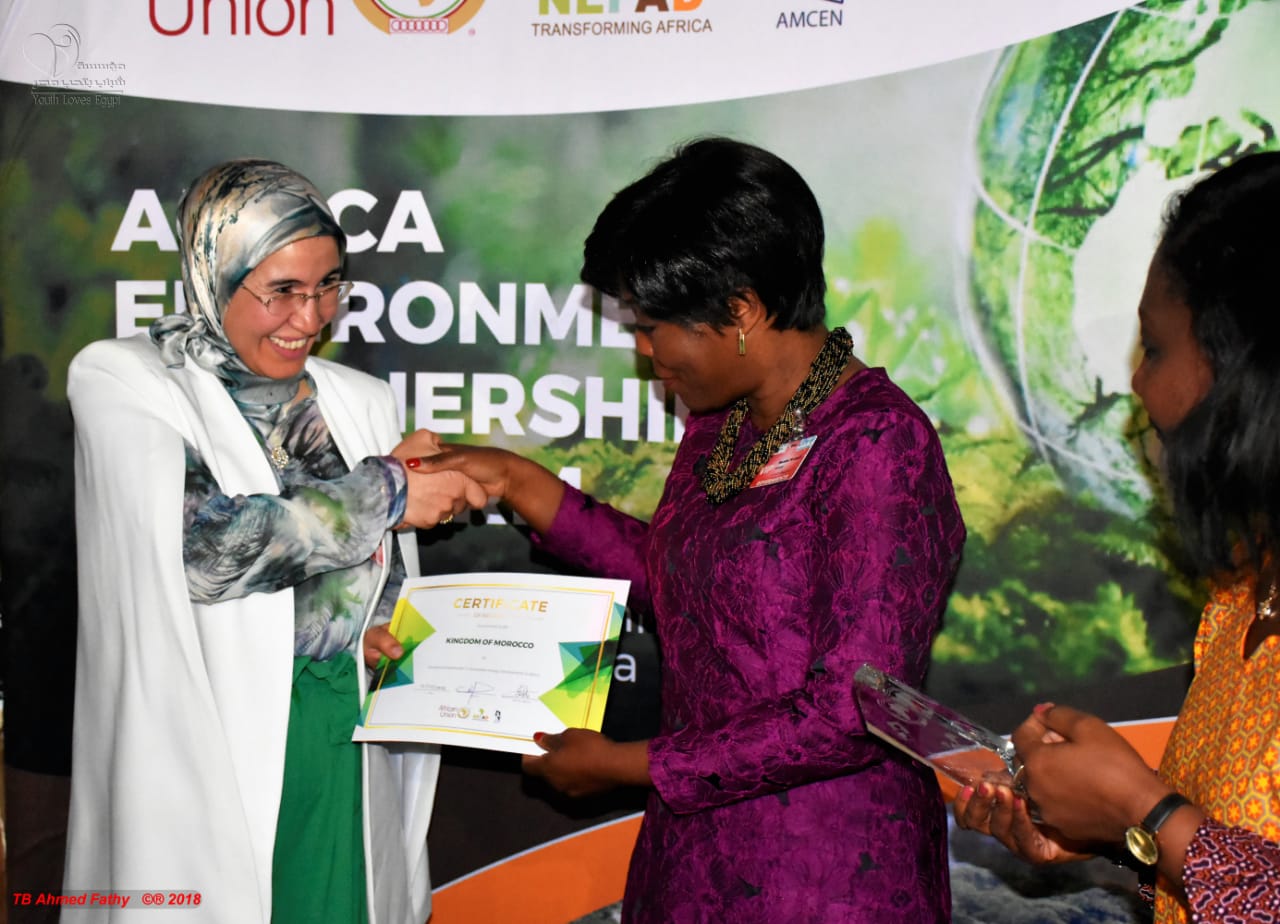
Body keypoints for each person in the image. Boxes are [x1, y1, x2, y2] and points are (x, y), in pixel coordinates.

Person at [418, 137, 967, 922]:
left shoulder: (878, 444)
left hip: (823, 877)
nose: (643, 352)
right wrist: (520, 483)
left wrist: (626, 765)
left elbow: (852, 709)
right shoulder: (723, 426)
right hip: (690, 862)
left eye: (652, 327)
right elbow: (691, 589)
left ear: (741, 311)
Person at [64, 158, 486, 923]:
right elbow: (207, 550)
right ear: (213, 275)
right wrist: (389, 490)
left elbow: (375, 580)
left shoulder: (360, 400)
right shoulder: (124, 381)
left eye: (329, 285)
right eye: (281, 290)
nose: (310, 316)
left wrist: (368, 632)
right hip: (207, 745)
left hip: (338, 738)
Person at [953, 151, 1280, 923]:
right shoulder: (1240, 596)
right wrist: (1110, 833)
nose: (1137, 385)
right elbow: (1238, 864)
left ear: (1244, 372)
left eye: (1156, 349)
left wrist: (1146, 811)